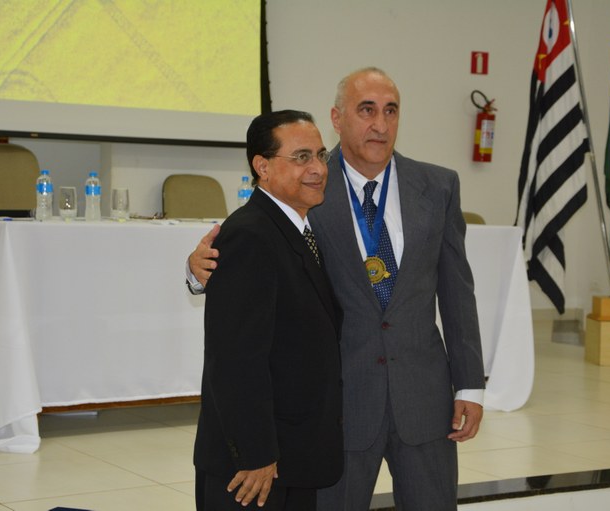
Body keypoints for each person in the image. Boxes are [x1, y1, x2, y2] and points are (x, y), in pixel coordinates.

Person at [189, 68, 485, 510]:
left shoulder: (439, 187)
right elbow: (256, 251)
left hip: (424, 398)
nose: (380, 124)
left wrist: (470, 385)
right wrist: (197, 270)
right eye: (366, 110)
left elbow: (458, 291)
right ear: (337, 118)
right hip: (339, 406)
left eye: (390, 111)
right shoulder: (306, 184)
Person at [193, 110, 343, 511]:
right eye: (302, 157)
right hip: (253, 469)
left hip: (293, 455)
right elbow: (235, 359)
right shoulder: (250, 235)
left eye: (321, 155)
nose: (318, 169)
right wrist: (255, 453)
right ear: (262, 167)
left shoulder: (296, 228)